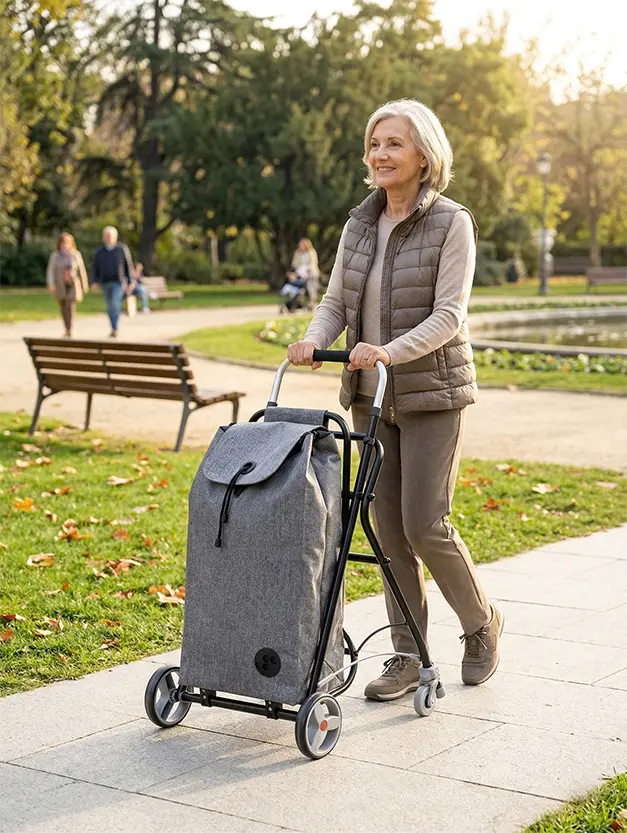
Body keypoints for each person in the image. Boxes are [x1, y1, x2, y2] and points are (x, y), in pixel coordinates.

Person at [287, 99, 503, 701]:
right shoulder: (359, 224)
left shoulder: (451, 223)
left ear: (424, 155)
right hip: (371, 396)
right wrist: (312, 339)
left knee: (426, 524)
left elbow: (449, 316)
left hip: (433, 393)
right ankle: (407, 654)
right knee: (386, 528)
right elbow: (335, 303)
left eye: (394, 144)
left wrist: (388, 350)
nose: (380, 154)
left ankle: (481, 625)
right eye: (375, 142)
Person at [91, 226, 134, 337]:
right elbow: (95, 267)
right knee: (109, 306)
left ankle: (115, 327)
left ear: (115, 237)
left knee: (115, 304)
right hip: (105, 282)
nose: (108, 238)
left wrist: (130, 281)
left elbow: (128, 266)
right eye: (106, 236)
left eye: (110, 236)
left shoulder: (121, 249)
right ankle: (113, 326)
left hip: (118, 282)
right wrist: (94, 281)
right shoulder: (99, 251)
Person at [46, 232, 89, 338]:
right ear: (59, 244)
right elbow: (50, 270)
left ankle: (70, 328)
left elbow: (81, 271)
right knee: (63, 306)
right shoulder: (55, 255)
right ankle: (66, 327)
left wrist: (85, 285)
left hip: (73, 284)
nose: (65, 245)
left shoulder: (75, 254)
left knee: (70, 305)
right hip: (60, 284)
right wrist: (50, 284)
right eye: (63, 242)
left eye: (67, 242)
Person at [291, 238, 320, 308]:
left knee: (311, 287)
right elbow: (294, 263)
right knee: (298, 286)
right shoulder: (297, 253)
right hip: (301, 273)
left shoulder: (311, 252)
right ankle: (297, 303)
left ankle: (312, 302)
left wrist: (307, 268)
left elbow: (314, 263)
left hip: (311, 273)